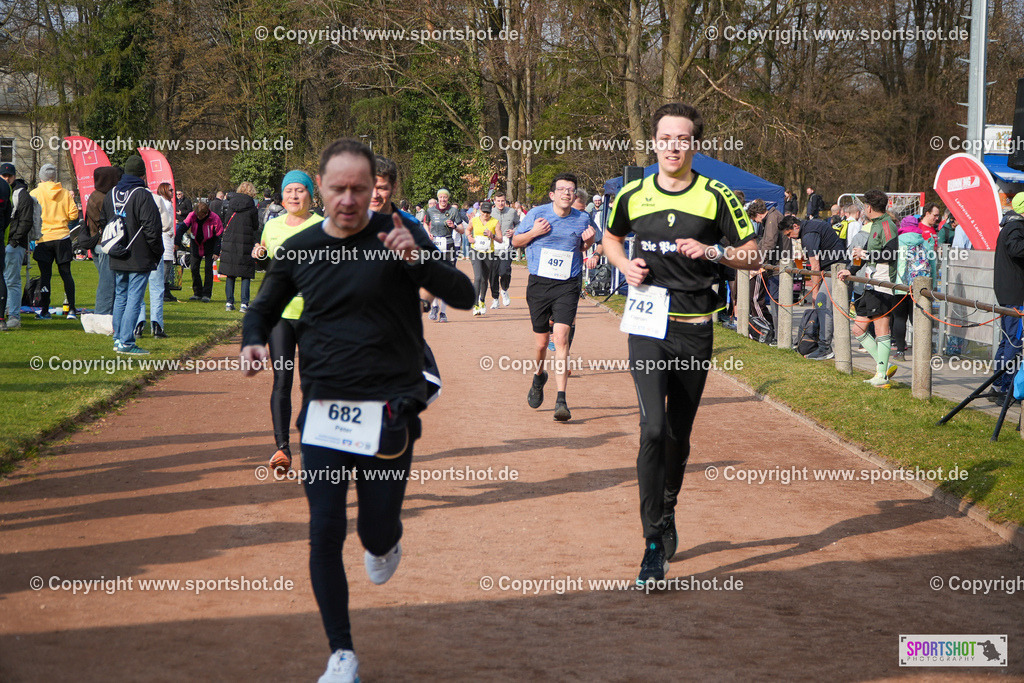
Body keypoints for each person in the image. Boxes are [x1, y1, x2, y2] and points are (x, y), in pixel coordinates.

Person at [240, 139, 473, 683]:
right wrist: (253, 340)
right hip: (324, 410)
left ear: (375, 191)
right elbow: (263, 309)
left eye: (359, 189)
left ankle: (386, 539)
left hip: (389, 408)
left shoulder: (399, 235)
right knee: (324, 529)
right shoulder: (300, 248)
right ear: (320, 190)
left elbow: (462, 294)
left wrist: (418, 262)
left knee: (374, 531)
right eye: (337, 188)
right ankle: (341, 653)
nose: (348, 199)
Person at [602, 102, 760, 584]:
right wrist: (623, 265)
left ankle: (667, 508)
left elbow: (752, 254)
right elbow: (611, 237)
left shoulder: (717, 196)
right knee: (652, 429)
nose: (673, 146)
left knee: (678, 432)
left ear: (694, 145)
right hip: (648, 324)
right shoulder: (631, 194)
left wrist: (713, 251)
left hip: (694, 327)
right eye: (665, 138)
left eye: (682, 139)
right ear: (654, 143)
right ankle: (652, 542)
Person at [511, 173, 595, 422]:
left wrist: (588, 244)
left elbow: (584, 247)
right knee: (540, 345)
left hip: (567, 284)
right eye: (562, 189)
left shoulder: (583, 218)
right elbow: (516, 241)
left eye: (571, 189)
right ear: (552, 194)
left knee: (561, 338)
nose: (567, 193)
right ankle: (538, 377)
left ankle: (562, 400)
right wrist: (534, 232)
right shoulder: (537, 214)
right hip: (539, 284)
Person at [256, 170, 323, 473]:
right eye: (289, 191)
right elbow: (267, 263)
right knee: (282, 379)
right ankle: (282, 449)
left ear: (311, 195)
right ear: (282, 196)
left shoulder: (323, 226)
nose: (294, 196)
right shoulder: (271, 226)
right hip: (280, 316)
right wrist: (259, 256)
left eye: (300, 190)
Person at [837, 189, 900, 387]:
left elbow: (890, 254)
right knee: (858, 329)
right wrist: (850, 270)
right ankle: (885, 365)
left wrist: (864, 255)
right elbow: (863, 255)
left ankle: (882, 376)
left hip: (882, 285)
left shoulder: (887, 225)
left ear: (869, 207)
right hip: (868, 284)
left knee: (881, 328)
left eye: (864, 205)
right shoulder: (873, 225)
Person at [102, 155, 162, 354]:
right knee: (134, 299)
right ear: (143, 175)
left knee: (120, 297)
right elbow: (152, 229)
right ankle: (127, 342)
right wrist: (157, 253)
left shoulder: (111, 193)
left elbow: (104, 223)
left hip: (117, 253)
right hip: (138, 256)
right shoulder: (142, 195)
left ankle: (118, 338)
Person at [780, 215, 847, 359]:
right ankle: (821, 344)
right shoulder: (811, 225)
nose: (790, 238)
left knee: (822, 305)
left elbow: (815, 265)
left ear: (795, 227)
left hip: (834, 269)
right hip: (832, 267)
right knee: (825, 308)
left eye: (789, 234)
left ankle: (825, 348)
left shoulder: (808, 235)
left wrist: (815, 292)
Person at [29, 164, 79, 319]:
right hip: (62, 237)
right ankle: (71, 309)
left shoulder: (34, 193)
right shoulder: (64, 193)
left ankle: (44, 310)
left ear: (41, 177)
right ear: (54, 176)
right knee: (66, 274)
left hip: (43, 238)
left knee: (45, 276)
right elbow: (74, 215)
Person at [890, 206, 940, 359]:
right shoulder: (926, 241)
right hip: (920, 286)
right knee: (918, 318)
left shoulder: (897, 242)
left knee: (899, 318)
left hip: (900, 285)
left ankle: (900, 351)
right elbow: (932, 264)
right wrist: (933, 285)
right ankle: (922, 351)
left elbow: (892, 263)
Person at [991, 193, 1024, 403]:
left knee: (1007, 340)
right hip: (1015, 294)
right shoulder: (1016, 227)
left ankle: (998, 385)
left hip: (1009, 292)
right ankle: (1006, 387)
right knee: (1014, 341)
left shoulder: (1010, 225)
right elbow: (1016, 249)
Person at [79, 166, 122, 317]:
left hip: (97, 244)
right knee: (108, 283)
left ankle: (110, 313)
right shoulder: (104, 198)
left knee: (109, 281)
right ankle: (102, 314)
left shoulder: (95, 195)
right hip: (104, 245)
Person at [134, 182, 175, 338]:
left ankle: (138, 324)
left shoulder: (129, 199)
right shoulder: (156, 200)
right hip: (153, 248)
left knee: (137, 288)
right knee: (157, 288)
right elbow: (167, 225)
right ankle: (156, 325)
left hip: (136, 250)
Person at [423, 188, 463, 322]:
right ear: (437, 199)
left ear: (448, 199)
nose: (443, 200)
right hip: (434, 244)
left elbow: (462, 229)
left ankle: (443, 313)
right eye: (440, 197)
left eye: (445, 197)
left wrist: (454, 226)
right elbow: (425, 223)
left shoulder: (453, 211)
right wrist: (428, 232)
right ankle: (434, 306)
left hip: (448, 243)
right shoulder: (430, 210)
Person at [220, 181, 260, 311]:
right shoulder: (252, 207)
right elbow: (255, 226)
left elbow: (226, 221)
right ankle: (244, 303)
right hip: (245, 240)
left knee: (230, 273)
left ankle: (229, 302)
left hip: (231, 240)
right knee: (245, 274)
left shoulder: (231, 205)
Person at [2, 163, 33, 329]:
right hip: (6, 242)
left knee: (12, 281)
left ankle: (13, 315)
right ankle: (6, 312)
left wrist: (13, 242)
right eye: (4, 176)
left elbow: (26, 221)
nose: (7, 179)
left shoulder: (22, 195)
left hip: (14, 244)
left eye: (9, 176)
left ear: (14, 176)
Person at [182, 202, 223, 301]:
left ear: (205, 214)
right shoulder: (192, 215)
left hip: (210, 245)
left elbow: (218, 235)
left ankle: (206, 294)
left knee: (208, 269)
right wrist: (176, 241)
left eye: (200, 216)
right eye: (197, 216)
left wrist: (216, 251)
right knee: (194, 268)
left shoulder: (215, 218)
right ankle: (197, 293)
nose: (199, 218)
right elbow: (183, 227)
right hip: (196, 244)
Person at [467, 200, 503, 314]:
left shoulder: (495, 222)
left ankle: (482, 300)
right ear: (480, 211)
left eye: (487, 212)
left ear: (490, 212)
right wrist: (469, 237)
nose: (485, 215)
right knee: (477, 277)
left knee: (484, 279)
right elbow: (468, 230)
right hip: (475, 251)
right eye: (483, 212)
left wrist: (492, 236)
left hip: (488, 253)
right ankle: (475, 305)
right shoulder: (474, 220)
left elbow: (500, 239)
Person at [489, 192, 519, 307]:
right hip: (493, 248)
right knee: (493, 274)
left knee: (504, 271)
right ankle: (495, 299)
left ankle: (504, 290)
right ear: (494, 201)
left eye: (503, 201)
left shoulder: (511, 212)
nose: (501, 203)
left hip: (508, 247)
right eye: (498, 201)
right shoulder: (490, 213)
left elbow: (519, 224)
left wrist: (514, 231)